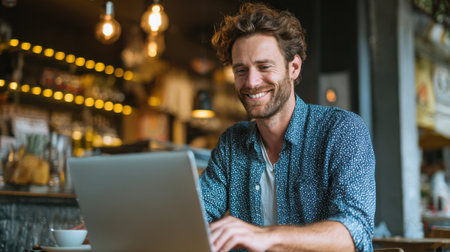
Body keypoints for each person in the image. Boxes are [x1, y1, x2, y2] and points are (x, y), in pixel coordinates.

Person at [199, 2, 376, 252]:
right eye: (241, 70)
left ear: (293, 67)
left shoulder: (342, 130)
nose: (251, 82)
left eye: (264, 67)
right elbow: (197, 215)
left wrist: (266, 237)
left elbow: (353, 232)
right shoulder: (232, 143)